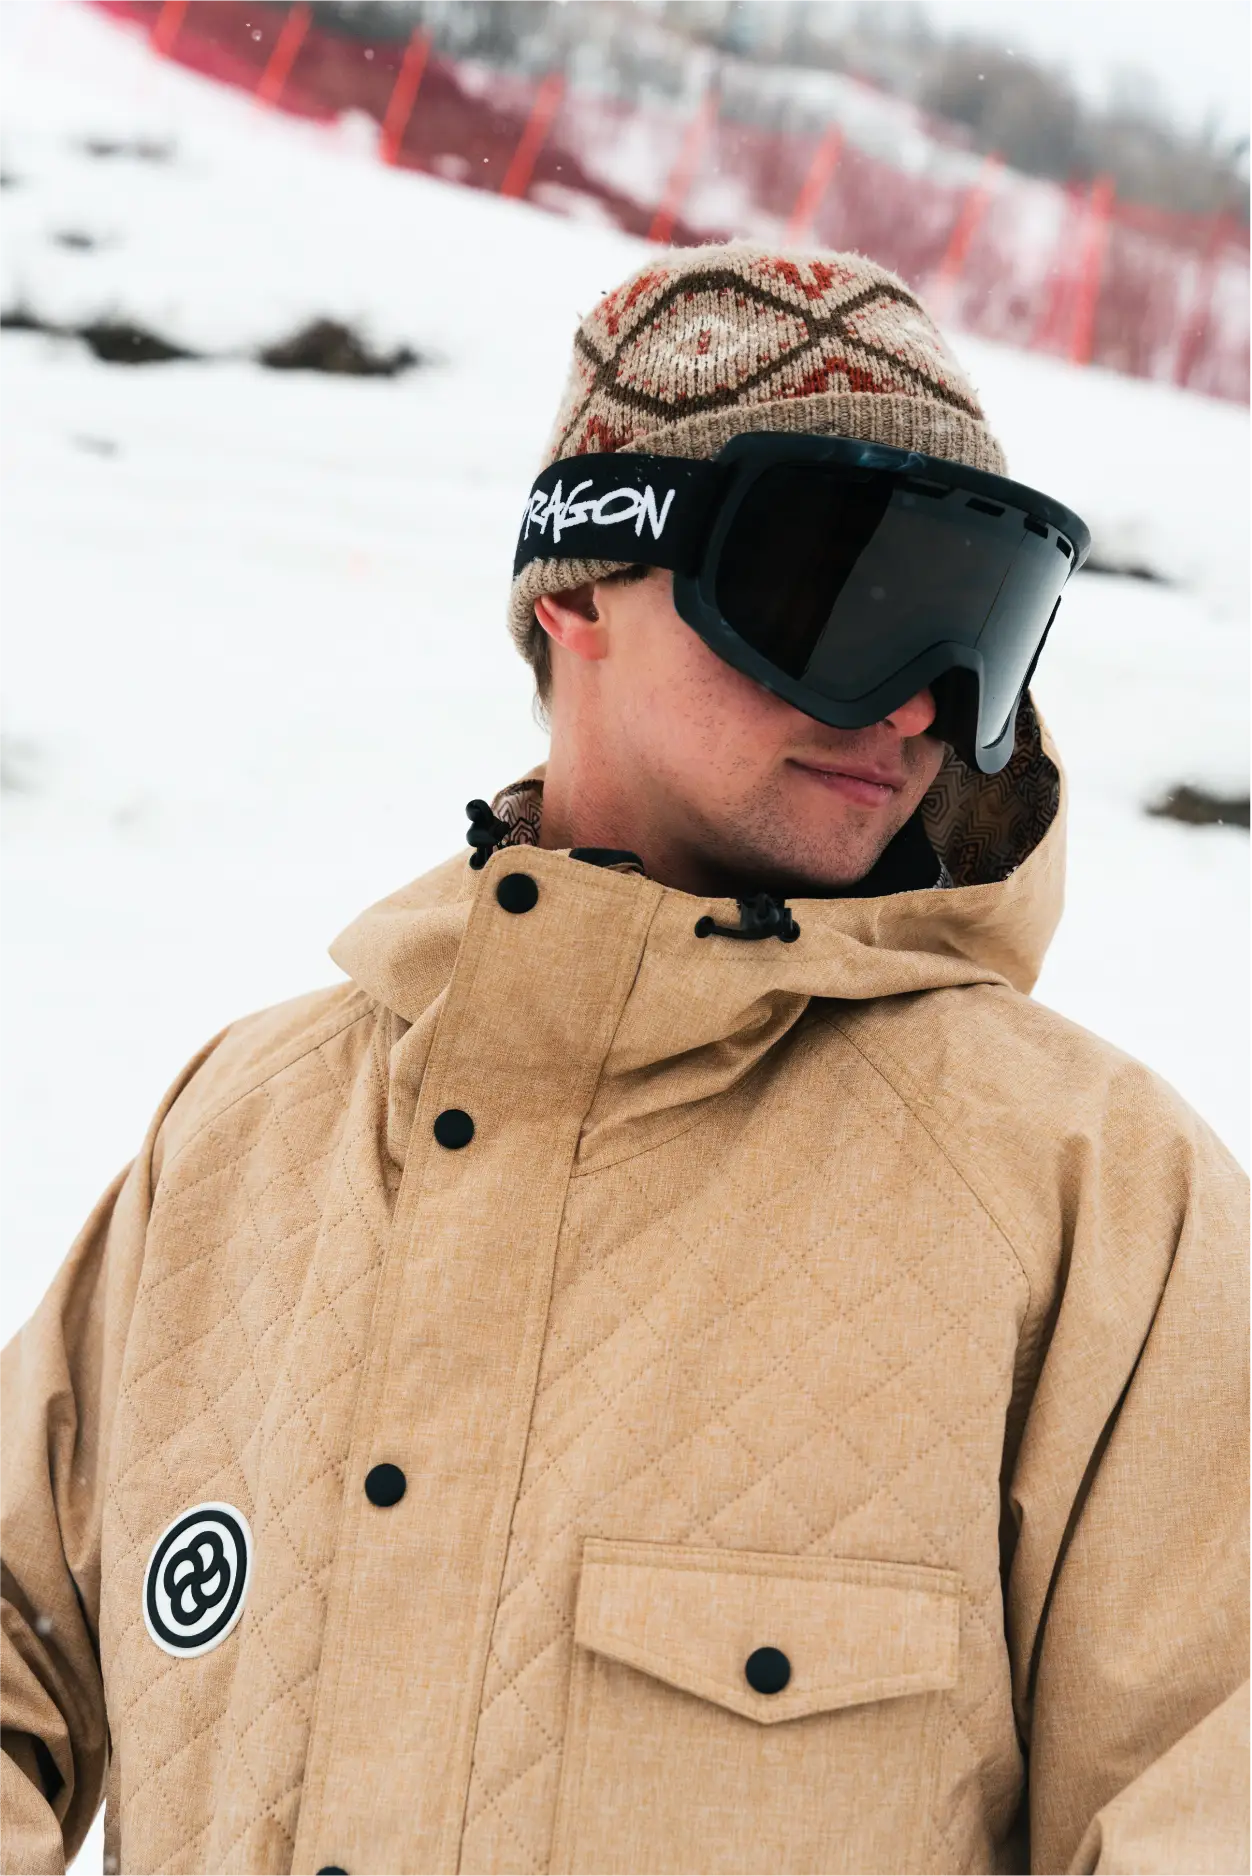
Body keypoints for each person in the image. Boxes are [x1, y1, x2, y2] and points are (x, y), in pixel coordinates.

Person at [2, 243, 1249, 1876]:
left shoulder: (1094, 1195)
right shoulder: (250, 1133)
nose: (916, 708)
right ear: (579, 583)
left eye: (975, 627)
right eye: (842, 593)